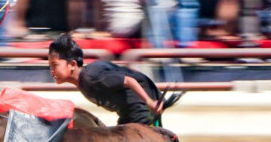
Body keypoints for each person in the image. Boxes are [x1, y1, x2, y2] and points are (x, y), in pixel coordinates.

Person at [48, 33, 180, 127]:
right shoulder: (85, 80)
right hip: (127, 115)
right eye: (50, 66)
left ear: (72, 65)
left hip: (139, 112)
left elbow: (129, 81)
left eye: (55, 65)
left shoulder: (91, 77)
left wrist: (150, 102)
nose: (51, 70)